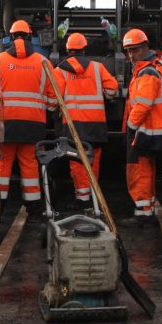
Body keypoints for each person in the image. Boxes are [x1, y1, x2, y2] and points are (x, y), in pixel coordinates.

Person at [0, 19, 56, 211]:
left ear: (11, 37)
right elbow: (53, 99)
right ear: (30, 37)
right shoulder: (43, 62)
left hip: (5, 124)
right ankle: (33, 206)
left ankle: (0, 205)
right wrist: (45, 108)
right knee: (30, 163)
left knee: (3, 163)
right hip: (34, 124)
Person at [53, 32, 119, 206]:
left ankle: (82, 199)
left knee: (77, 162)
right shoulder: (97, 68)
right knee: (93, 160)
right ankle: (94, 196)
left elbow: (53, 98)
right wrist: (106, 95)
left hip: (73, 126)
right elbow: (112, 89)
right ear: (84, 49)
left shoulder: (60, 70)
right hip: (96, 125)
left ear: (68, 50)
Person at [121, 28, 162, 225]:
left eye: (135, 50)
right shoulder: (150, 69)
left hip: (143, 131)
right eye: (129, 51)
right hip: (150, 131)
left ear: (145, 47)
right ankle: (147, 209)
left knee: (138, 172)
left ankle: (143, 214)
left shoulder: (147, 73)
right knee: (146, 170)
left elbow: (143, 104)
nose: (131, 55)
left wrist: (130, 126)